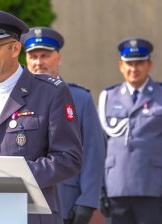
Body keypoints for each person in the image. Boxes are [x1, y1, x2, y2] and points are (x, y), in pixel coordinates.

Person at [0, 8, 83, 224]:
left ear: (15, 48)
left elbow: (69, 159)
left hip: (30, 215)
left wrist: (14, 175)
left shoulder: (50, 93)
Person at [21, 27, 105, 224]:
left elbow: (94, 151)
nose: (38, 62)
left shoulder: (80, 98)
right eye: (33, 56)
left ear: (58, 58)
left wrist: (88, 199)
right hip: (26, 202)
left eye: (45, 55)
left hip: (66, 201)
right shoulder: (17, 99)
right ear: (26, 60)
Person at [98, 37, 162, 224]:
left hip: (152, 187)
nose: (134, 69)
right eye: (129, 64)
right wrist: (98, 188)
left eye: (139, 63)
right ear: (121, 66)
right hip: (116, 187)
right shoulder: (108, 97)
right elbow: (99, 147)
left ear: (149, 65)